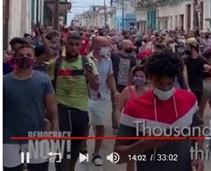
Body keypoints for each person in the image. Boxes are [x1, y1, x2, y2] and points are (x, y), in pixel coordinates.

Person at [114, 51, 204, 171]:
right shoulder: (134, 107)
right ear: (150, 78)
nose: (165, 89)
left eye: (169, 84)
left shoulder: (189, 100)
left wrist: (198, 155)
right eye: (160, 84)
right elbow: (117, 157)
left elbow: (197, 133)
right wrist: (143, 144)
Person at [48, 33, 100, 171]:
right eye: (70, 44)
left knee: (76, 147)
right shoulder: (55, 64)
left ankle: (71, 168)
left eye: (77, 45)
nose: (73, 47)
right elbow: (50, 87)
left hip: (80, 110)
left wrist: (91, 79)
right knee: (61, 147)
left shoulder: (88, 63)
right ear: (65, 44)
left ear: (81, 46)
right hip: (61, 110)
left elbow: (95, 87)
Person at [3, 44, 59, 171]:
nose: (25, 57)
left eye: (29, 55)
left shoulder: (43, 80)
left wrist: (55, 127)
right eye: (21, 55)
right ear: (15, 58)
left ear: (34, 59)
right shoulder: (4, 82)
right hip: (9, 138)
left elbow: (51, 107)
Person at [87, 36, 118, 166]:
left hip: (101, 98)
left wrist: (114, 91)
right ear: (94, 45)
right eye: (103, 44)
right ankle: (83, 148)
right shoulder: (86, 60)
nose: (106, 47)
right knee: (85, 125)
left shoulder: (108, 60)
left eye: (107, 44)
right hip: (86, 97)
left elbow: (110, 77)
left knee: (100, 126)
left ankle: (96, 153)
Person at [114, 65, 149, 171]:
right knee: (131, 157)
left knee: (144, 157)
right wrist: (120, 125)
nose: (139, 78)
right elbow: (117, 109)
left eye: (142, 76)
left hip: (143, 128)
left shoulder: (148, 93)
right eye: (137, 75)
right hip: (129, 128)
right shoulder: (127, 91)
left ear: (146, 79)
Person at [183, 38, 211, 116]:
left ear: (193, 47)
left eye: (187, 47)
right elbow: (185, 75)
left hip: (199, 86)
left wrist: (208, 69)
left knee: (197, 106)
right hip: (190, 87)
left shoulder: (201, 60)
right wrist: (187, 87)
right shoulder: (186, 60)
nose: (186, 49)